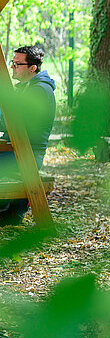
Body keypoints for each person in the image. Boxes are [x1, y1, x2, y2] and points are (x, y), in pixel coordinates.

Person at [0, 46, 56, 226]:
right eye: (12, 63)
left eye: (18, 64)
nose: (13, 67)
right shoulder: (27, 88)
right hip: (19, 151)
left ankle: (13, 212)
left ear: (32, 68)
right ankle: (12, 210)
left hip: (27, 156)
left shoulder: (38, 91)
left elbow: (14, 123)